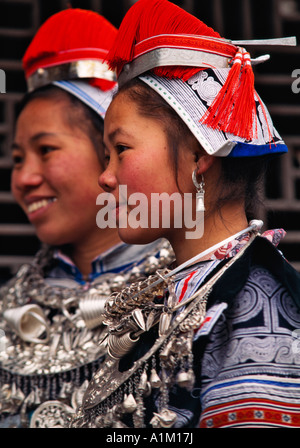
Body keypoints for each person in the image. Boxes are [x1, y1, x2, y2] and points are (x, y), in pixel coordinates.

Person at [71, 0, 300, 429]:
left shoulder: (252, 300)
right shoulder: (174, 287)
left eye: (120, 150)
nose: (104, 178)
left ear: (198, 153)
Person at [0, 8, 173, 428]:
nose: (23, 178)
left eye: (46, 150)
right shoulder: (11, 306)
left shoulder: (187, 292)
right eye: (18, 158)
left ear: (110, 151)